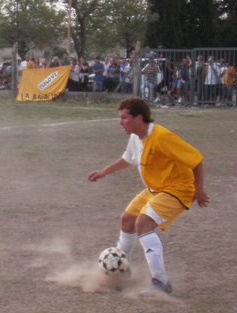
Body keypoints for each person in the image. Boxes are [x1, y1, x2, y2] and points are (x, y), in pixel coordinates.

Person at [87, 97, 209, 296]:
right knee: (127, 220)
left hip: (177, 188)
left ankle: (161, 282)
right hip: (156, 188)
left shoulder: (162, 137)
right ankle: (121, 272)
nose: (120, 123)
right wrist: (104, 171)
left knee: (142, 223)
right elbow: (128, 159)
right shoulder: (136, 137)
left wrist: (199, 190)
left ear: (138, 118)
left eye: (124, 118)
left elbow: (196, 160)